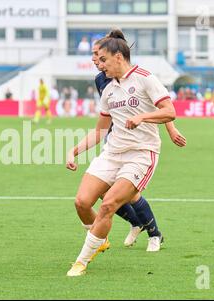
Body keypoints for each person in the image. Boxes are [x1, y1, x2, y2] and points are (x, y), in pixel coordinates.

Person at [65, 29, 177, 277]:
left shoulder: (146, 78)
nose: (99, 64)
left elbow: (170, 111)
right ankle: (100, 238)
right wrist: (74, 150)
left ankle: (81, 261)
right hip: (112, 153)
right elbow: (99, 131)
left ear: (118, 57)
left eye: (102, 59)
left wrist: (143, 117)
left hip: (141, 154)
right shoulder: (108, 90)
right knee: (82, 202)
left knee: (109, 205)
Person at [88, 35, 186, 253]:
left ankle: (153, 233)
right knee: (103, 191)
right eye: (94, 55)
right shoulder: (101, 79)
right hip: (114, 139)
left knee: (128, 195)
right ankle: (136, 224)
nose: (95, 59)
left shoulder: (138, 76)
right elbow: (107, 114)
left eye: (97, 54)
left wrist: (171, 128)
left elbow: (156, 107)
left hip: (138, 139)